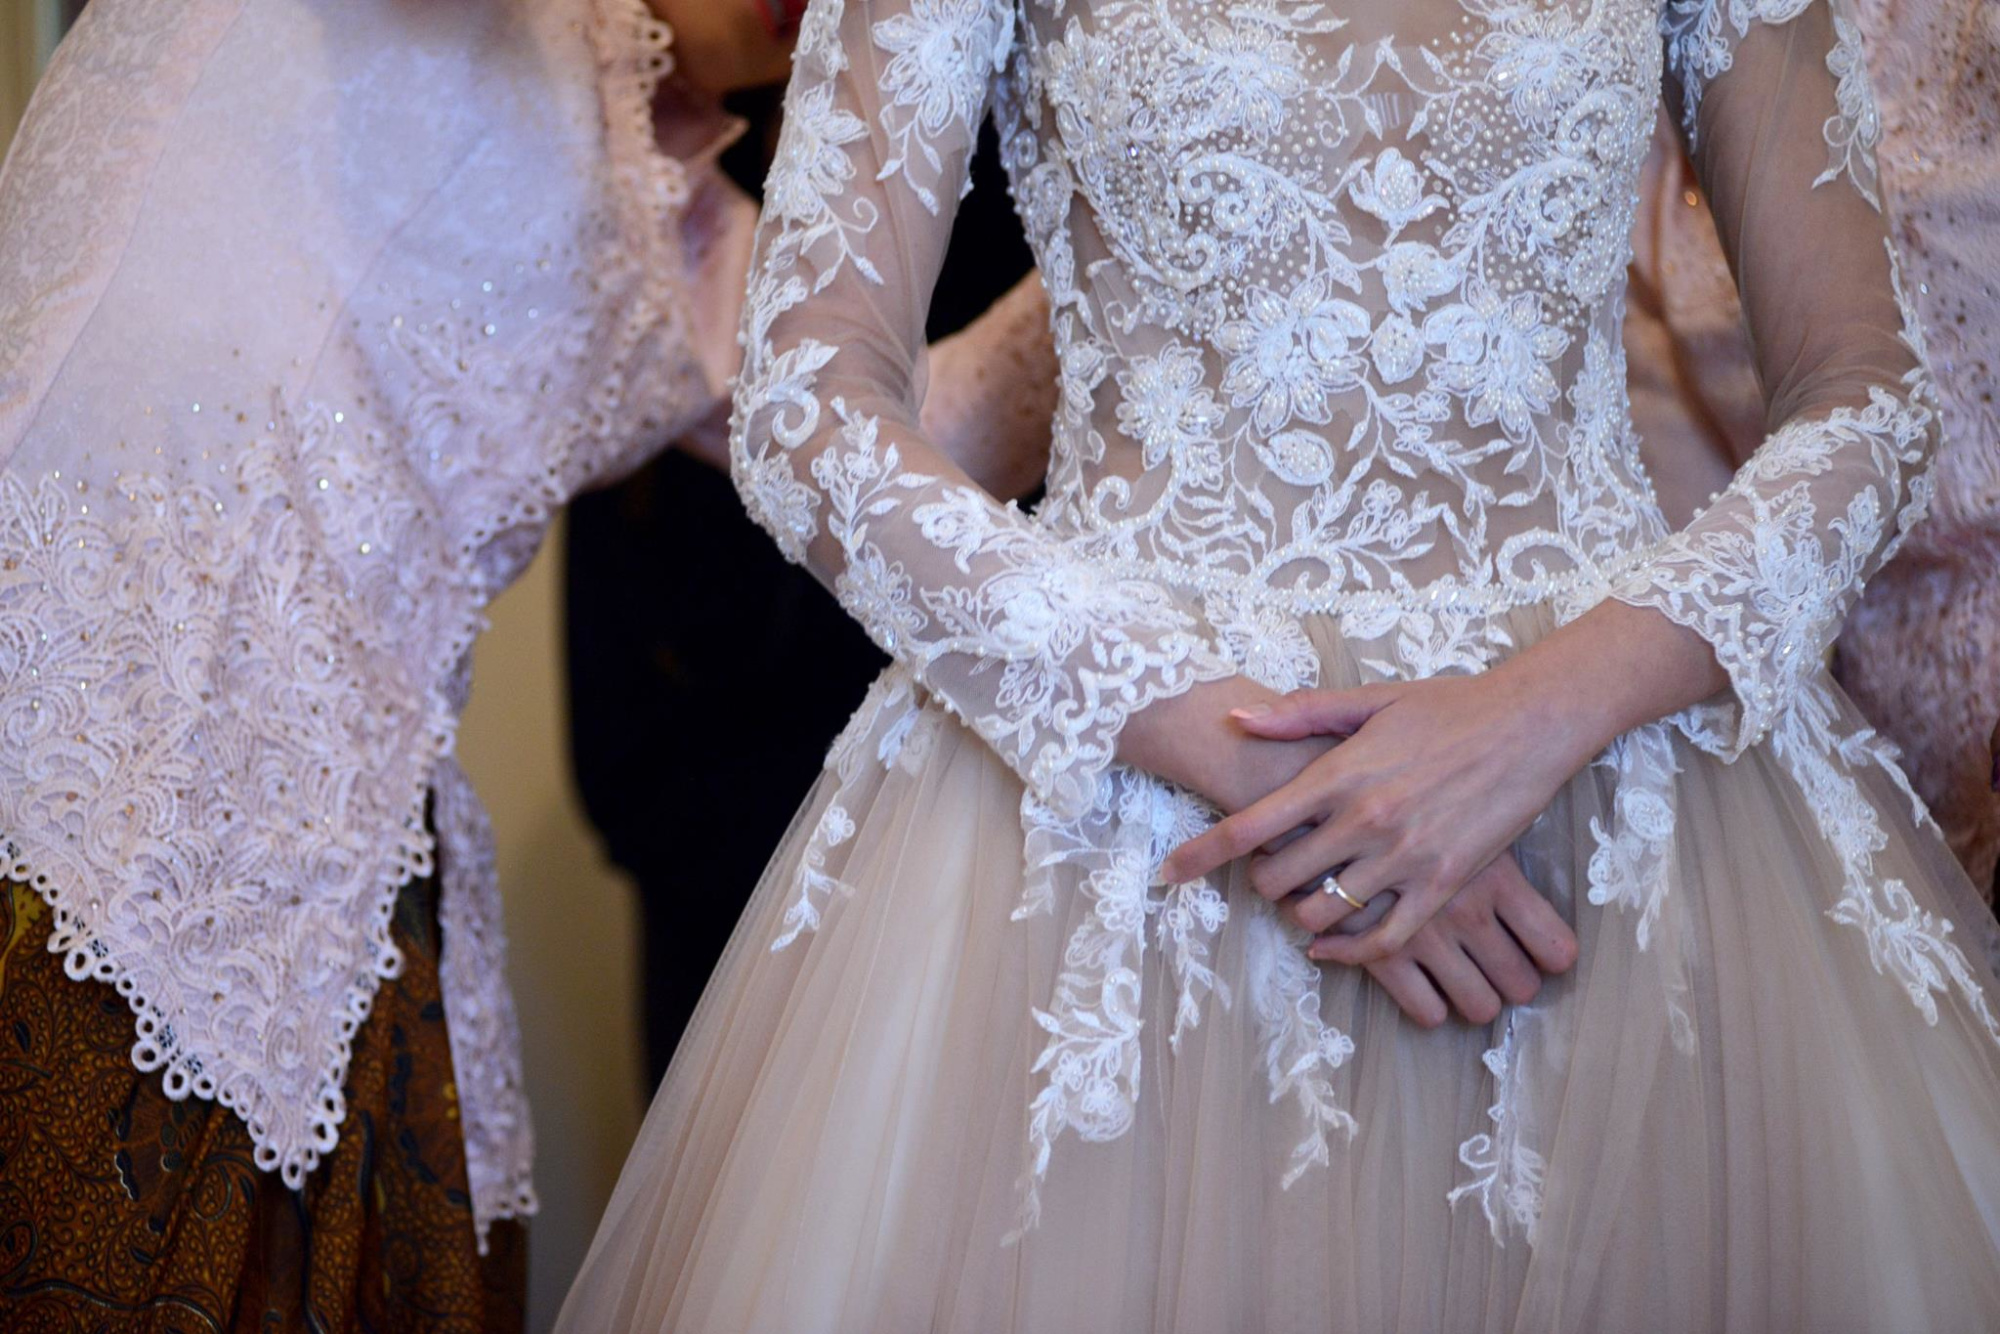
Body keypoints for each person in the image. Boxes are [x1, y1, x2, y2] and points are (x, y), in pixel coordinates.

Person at [556, 0, 2000, 1327]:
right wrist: (1247, 759)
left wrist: (1538, 714)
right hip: (1141, 796)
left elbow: (1869, 401)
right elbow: (809, 410)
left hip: (1603, 784)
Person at [0, 0, 1047, 1324]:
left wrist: (1141, 255)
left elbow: (921, 436)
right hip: (54, 782)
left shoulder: (684, 232)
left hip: (333, 907)